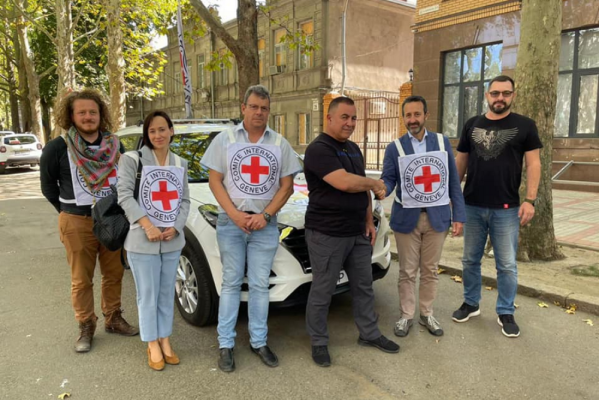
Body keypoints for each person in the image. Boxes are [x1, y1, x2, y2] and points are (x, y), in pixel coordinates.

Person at [201, 85, 302, 372]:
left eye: (264, 108)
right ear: (243, 107)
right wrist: (234, 215)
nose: (259, 112)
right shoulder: (225, 139)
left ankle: (259, 342)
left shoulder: (279, 143)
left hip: (264, 225)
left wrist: (266, 216)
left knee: (259, 284)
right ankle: (225, 344)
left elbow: (287, 186)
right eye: (254, 106)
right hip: (230, 223)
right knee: (231, 283)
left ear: (269, 111)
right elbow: (214, 181)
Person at [40, 88, 139, 353]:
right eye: (81, 112)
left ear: (100, 114)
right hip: (77, 221)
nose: (88, 117)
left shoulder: (115, 145)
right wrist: (68, 212)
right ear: (71, 116)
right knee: (81, 280)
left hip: (112, 219)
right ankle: (86, 324)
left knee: (114, 273)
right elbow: (48, 187)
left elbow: (127, 179)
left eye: (93, 112)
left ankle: (113, 318)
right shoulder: (57, 147)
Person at [303, 96, 399, 368]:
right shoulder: (318, 149)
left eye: (354, 118)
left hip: (357, 232)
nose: (350, 123)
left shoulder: (354, 149)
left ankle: (369, 333)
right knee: (323, 289)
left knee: (363, 286)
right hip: (327, 233)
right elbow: (344, 182)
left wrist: (368, 220)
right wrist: (375, 183)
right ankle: (318, 341)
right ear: (329, 118)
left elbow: (361, 190)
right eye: (344, 117)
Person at [452, 75, 542, 338]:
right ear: (487, 95)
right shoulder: (472, 124)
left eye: (505, 93)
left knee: (506, 265)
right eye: (495, 93)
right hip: (472, 205)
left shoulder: (525, 125)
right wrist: (453, 198)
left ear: (513, 95)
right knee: (470, 260)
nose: (500, 98)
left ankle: (505, 311)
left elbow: (534, 164)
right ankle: (471, 303)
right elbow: (461, 162)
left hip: (507, 208)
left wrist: (530, 200)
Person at [380, 95, 465, 338]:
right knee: (407, 271)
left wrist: (458, 215)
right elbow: (389, 179)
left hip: (437, 218)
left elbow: (452, 181)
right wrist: (381, 189)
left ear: (426, 115)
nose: (412, 119)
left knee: (430, 270)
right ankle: (406, 315)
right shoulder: (394, 148)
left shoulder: (441, 142)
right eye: (408, 115)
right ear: (403, 118)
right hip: (407, 219)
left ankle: (427, 313)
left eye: (417, 114)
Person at [117, 110, 190, 371]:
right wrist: (147, 225)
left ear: (171, 131)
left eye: (162, 129)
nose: (158, 135)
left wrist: (176, 227)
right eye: (152, 131)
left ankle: (165, 339)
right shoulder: (131, 159)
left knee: (166, 293)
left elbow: (184, 200)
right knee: (147, 295)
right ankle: (151, 342)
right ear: (146, 135)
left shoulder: (180, 163)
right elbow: (124, 196)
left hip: (171, 240)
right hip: (142, 239)